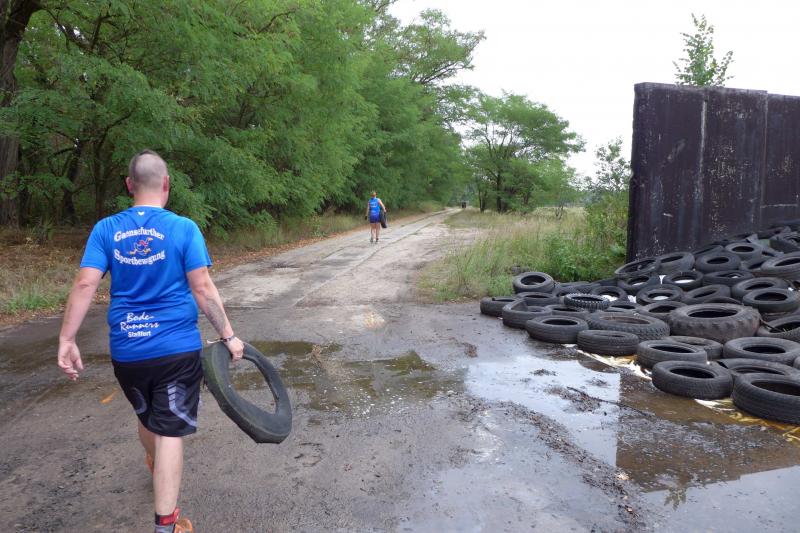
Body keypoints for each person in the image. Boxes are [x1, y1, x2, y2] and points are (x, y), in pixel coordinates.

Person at [57, 150, 244, 533]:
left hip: (128, 351)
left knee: (148, 418)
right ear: (167, 184)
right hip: (176, 349)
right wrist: (228, 335)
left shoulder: (106, 229)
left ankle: (156, 462)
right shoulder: (184, 228)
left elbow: (86, 283)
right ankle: (167, 525)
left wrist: (67, 339)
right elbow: (202, 288)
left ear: (129, 184)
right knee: (170, 432)